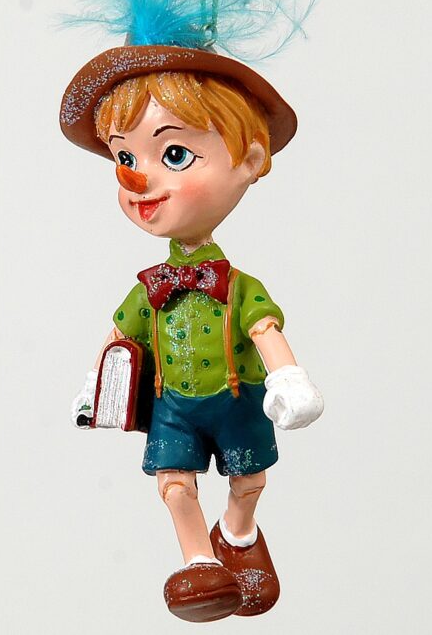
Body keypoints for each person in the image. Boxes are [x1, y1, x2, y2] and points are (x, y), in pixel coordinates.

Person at [68, 67, 324, 622]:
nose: (138, 179)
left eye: (175, 154)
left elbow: (265, 330)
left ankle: (238, 533)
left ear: (249, 161)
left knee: (249, 481)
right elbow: (120, 335)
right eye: (125, 157)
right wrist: (96, 386)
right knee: (174, 486)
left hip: (237, 398)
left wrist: (288, 378)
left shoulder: (241, 287)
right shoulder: (148, 289)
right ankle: (198, 563)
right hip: (174, 405)